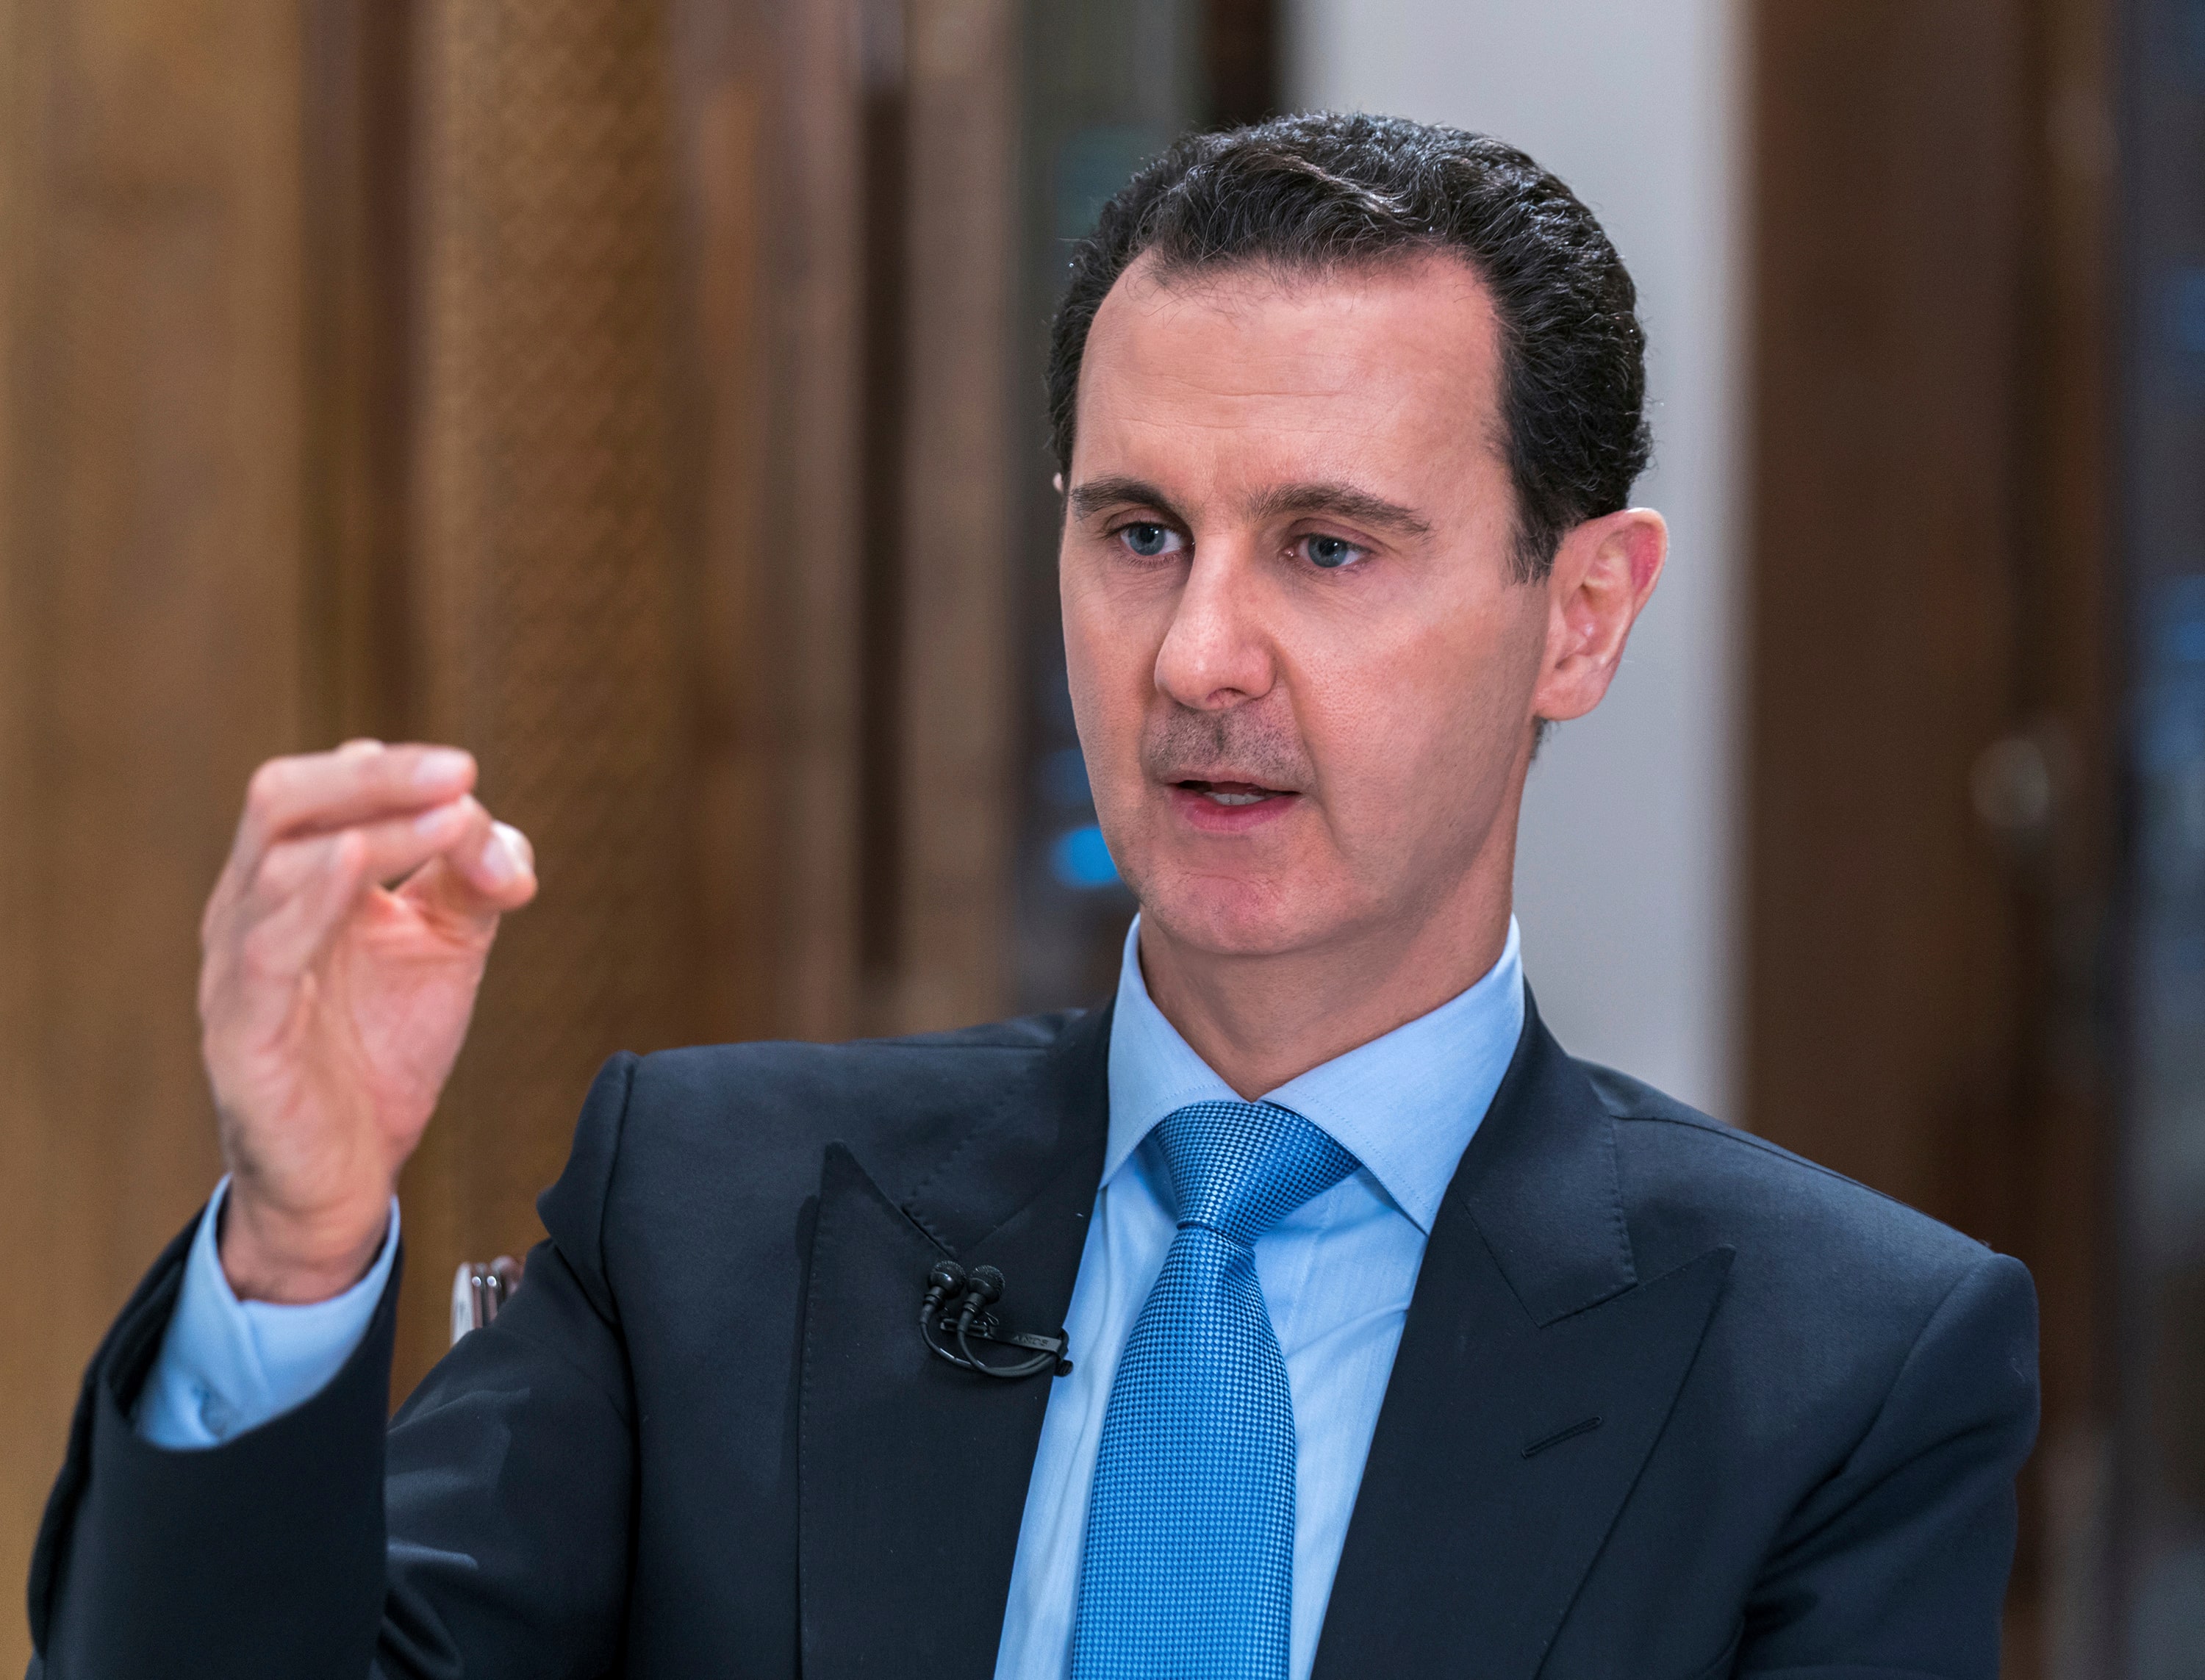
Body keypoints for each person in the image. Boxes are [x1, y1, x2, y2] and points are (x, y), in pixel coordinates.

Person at [26, 113, 2037, 1680]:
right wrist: (297, 1242)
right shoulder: (709, 1215)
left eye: (1328, 549)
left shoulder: (1842, 1371)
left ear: (1579, 614)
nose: (1199, 659)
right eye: (1140, 533)